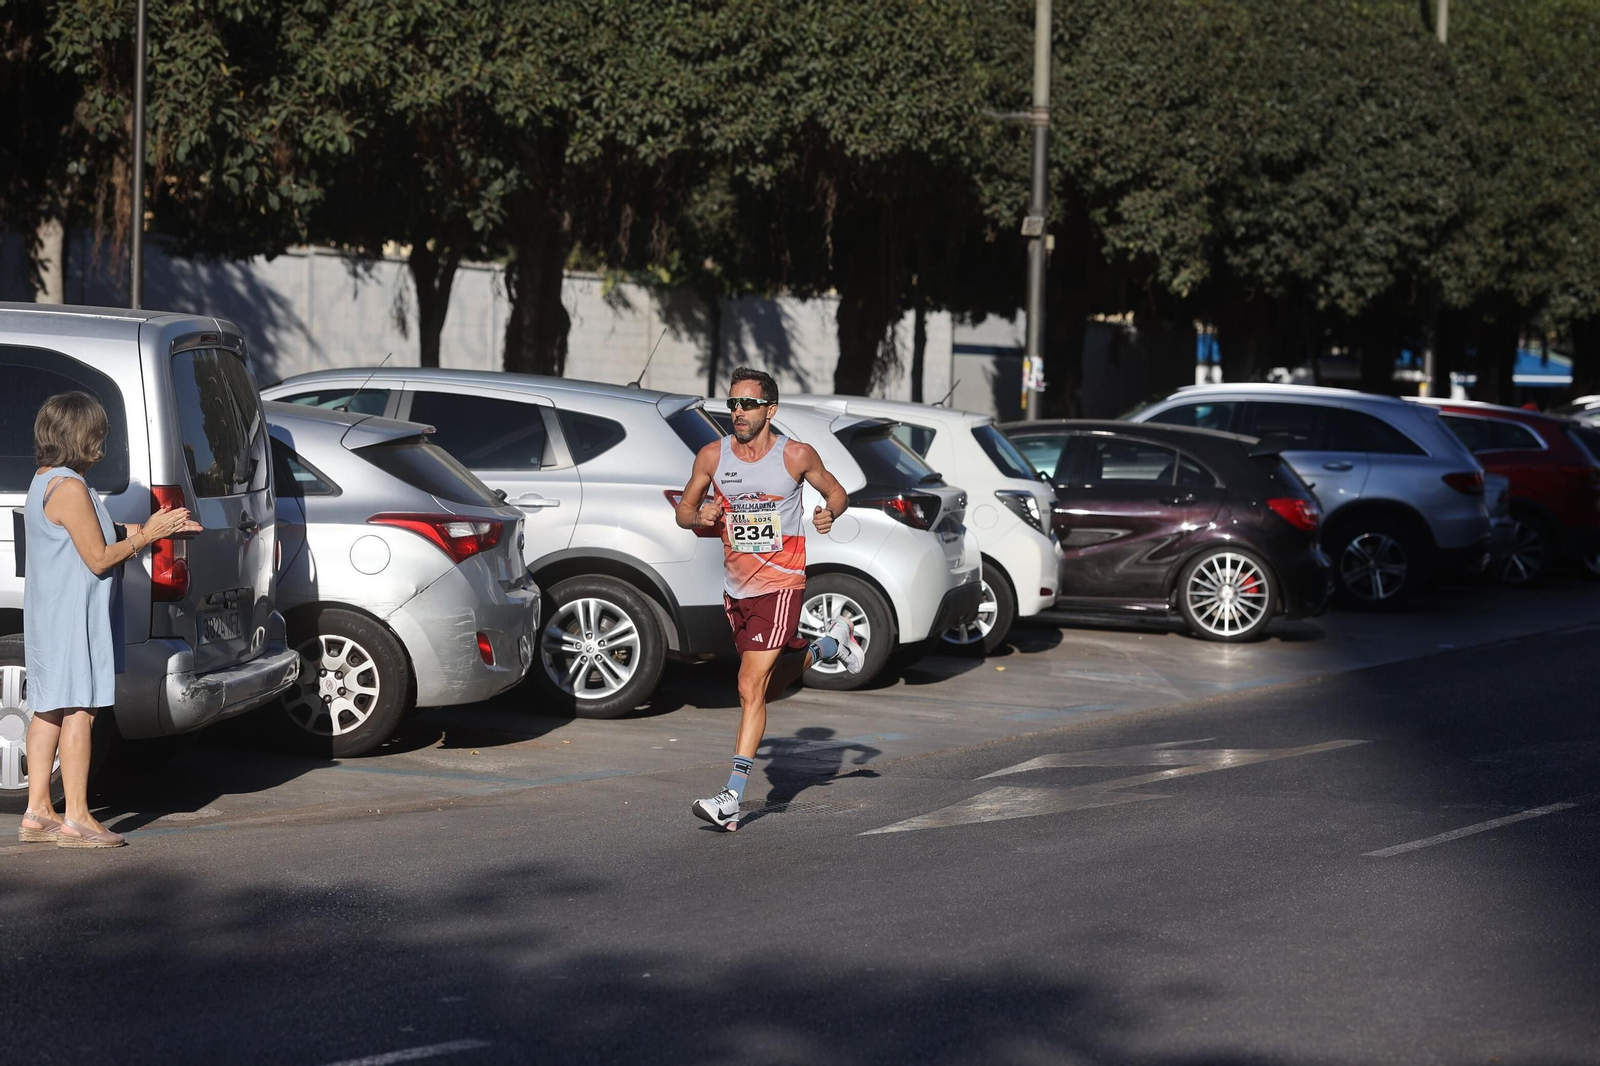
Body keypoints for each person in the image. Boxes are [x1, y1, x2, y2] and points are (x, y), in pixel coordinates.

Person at [674, 366, 863, 832]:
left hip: (782, 583)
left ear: (770, 410)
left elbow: (836, 491)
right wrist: (703, 514)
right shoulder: (712, 455)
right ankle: (830, 644)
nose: (737, 412)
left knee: (746, 686)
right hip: (735, 589)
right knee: (767, 688)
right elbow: (683, 513)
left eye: (748, 404)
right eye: (732, 404)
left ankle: (731, 799)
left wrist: (827, 514)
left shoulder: (795, 455)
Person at [18, 392, 199, 848]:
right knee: (81, 709)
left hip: (51, 613)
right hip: (74, 617)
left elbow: (100, 532)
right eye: (97, 434)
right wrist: (149, 537)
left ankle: (37, 812)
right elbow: (99, 558)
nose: (102, 443)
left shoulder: (46, 480)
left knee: (49, 707)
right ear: (80, 435)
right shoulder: (72, 487)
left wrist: (158, 527)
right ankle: (77, 818)